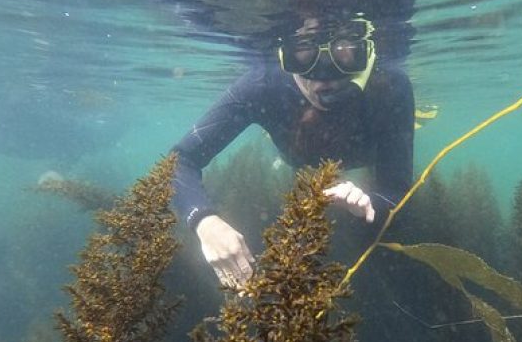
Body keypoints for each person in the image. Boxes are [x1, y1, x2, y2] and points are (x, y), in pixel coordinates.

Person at [171, 15, 414, 286]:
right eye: (304, 53)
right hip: (297, 155)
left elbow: (396, 187)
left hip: (362, 152)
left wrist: (370, 203)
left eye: (344, 53)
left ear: (365, 52)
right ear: (286, 56)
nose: (323, 83)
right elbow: (181, 160)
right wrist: (205, 222)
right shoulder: (263, 85)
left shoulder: (391, 86)